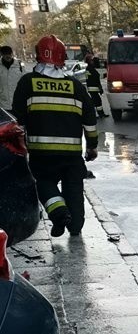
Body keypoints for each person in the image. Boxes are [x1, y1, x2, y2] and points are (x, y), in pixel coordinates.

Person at [11, 34, 98, 238]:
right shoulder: (75, 86)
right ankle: (75, 226)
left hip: (42, 154)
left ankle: (59, 213)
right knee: (74, 190)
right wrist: (92, 146)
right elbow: (90, 118)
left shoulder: (28, 83)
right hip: (72, 155)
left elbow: (17, 119)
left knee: (43, 183)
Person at [0, 45, 25, 111]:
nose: (8, 56)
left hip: (19, 104)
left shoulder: (19, 65)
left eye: (10, 54)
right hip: (3, 105)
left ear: (12, 53)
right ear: (1, 54)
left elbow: (25, 82)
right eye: (6, 54)